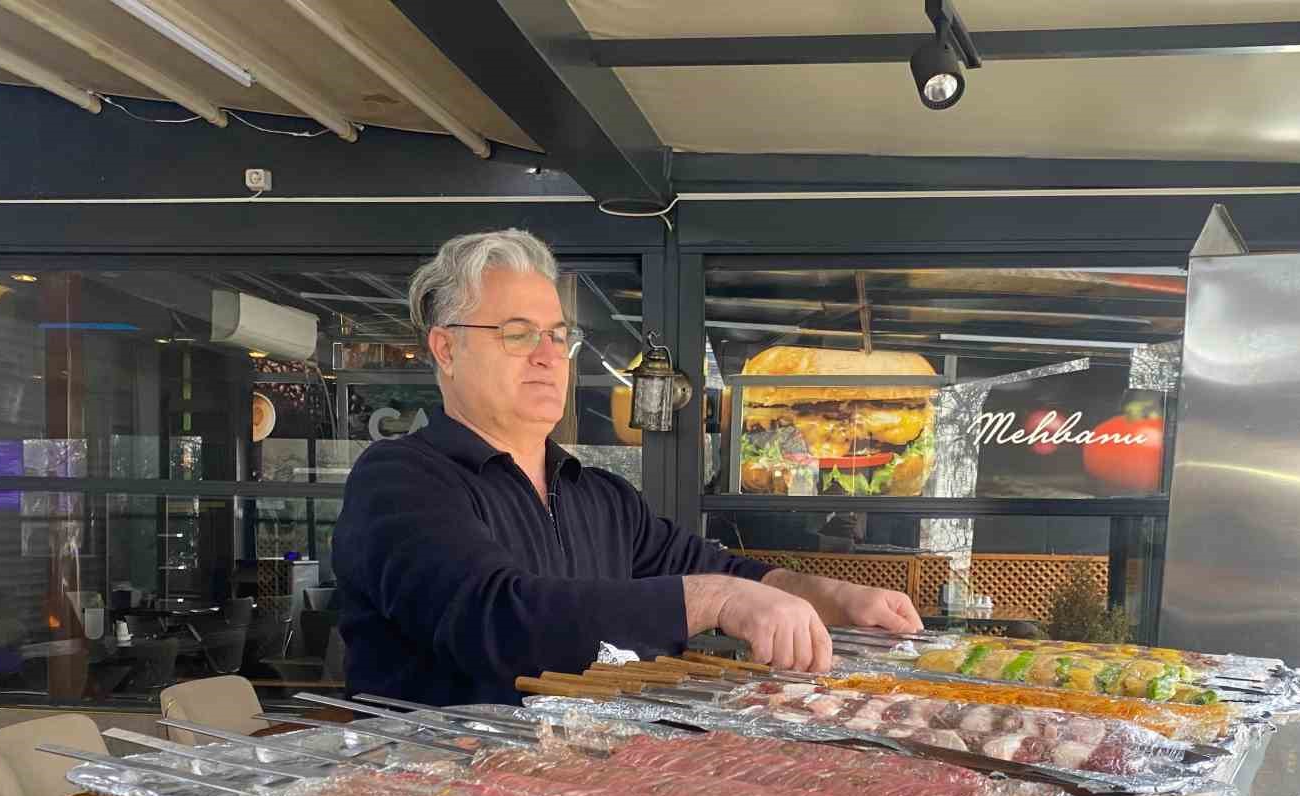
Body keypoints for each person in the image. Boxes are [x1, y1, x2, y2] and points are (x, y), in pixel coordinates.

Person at [333, 229, 922, 706]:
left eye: (557, 335)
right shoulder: (400, 480)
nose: (546, 354)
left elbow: (710, 566)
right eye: (517, 334)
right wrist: (716, 600)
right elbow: (499, 621)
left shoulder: (598, 495)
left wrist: (829, 597)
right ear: (446, 348)